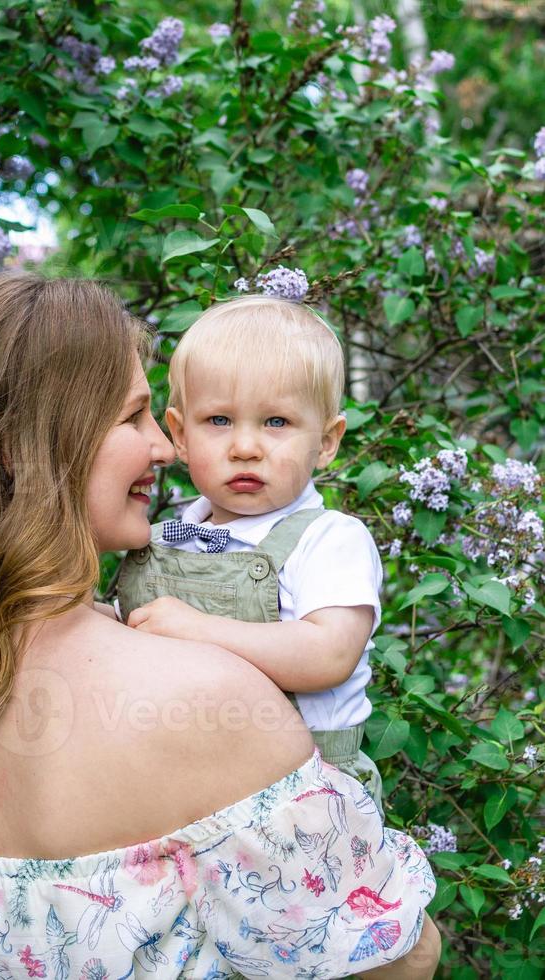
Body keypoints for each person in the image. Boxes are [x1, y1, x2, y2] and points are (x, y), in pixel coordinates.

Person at [0, 272, 440, 979]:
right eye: (134, 417)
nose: (163, 446)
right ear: (21, 447)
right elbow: (395, 962)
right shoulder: (205, 697)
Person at [117, 296, 385, 813]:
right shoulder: (168, 537)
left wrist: (199, 628)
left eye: (277, 422)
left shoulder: (329, 539)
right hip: (186, 780)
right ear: (179, 434)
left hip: (304, 794)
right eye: (218, 420)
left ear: (326, 442)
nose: (245, 446)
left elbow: (329, 655)